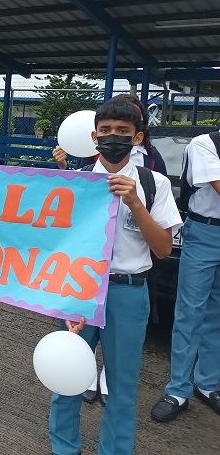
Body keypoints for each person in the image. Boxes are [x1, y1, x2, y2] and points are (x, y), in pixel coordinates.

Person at [48, 97, 181, 455]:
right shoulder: (75, 183)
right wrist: (67, 302)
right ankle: (63, 448)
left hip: (128, 293)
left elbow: (163, 249)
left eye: (122, 132)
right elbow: (59, 245)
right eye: (105, 131)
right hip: (80, 290)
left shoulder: (154, 185)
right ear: (94, 136)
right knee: (67, 380)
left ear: (137, 138)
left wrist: (136, 203)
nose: (113, 137)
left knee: (122, 389)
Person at [150, 131, 220, 423]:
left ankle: (207, 383)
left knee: (216, 312)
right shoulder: (206, 143)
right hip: (206, 232)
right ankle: (178, 389)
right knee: (190, 311)